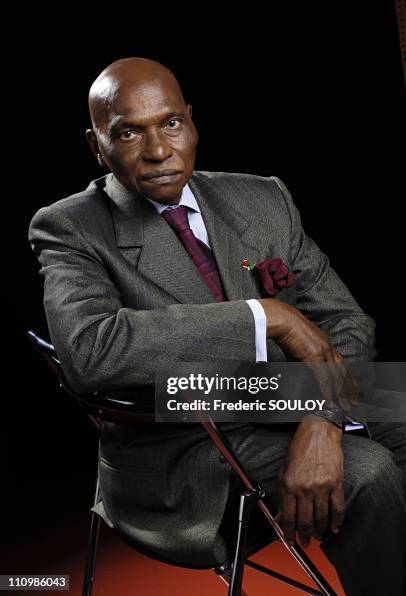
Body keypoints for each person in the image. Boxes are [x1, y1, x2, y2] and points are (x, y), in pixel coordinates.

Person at [29, 58, 406, 595]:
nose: (158, 150)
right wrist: (264, 315)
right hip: (184, 430)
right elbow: (91, 351)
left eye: (171, 124)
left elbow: (346, 320)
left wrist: (321, 416)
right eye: (129, 132)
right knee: (365, 470)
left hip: (283, 392)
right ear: (96, 145)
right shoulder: (69, 226)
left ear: (192, 121)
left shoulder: (262, 197)